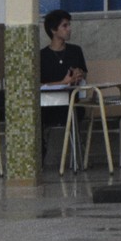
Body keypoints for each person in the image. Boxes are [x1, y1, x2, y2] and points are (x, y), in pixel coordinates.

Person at [39, 9, 87, 158]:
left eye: (69, 25)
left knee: (77, 112)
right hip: (47, 107)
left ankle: (76, 159)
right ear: (54, 30)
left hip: (71, 104)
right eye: (64, 26)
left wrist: (78, 74)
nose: (69, 29)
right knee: (35, 117)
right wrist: (62, 82)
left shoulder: (75, 51)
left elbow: (84, 74)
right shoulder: (42, 56)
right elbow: (38, 85)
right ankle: (39, 156)